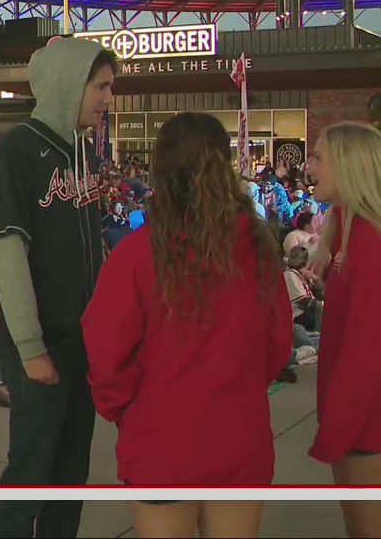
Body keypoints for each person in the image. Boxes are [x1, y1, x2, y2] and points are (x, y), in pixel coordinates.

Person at [82, 112, 291, 537]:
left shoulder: (135, 255)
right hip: (238, 435)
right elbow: (278, 342)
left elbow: (105, 351)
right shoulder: (258, 248)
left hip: (162, 439)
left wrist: (125, 410)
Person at [0, 38, 115, 538]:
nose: (107, 99)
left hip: (81, 345)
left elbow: (89, 249)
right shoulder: (18, 150)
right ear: (69, 83)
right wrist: (31, 346)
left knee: (69, 481)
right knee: (29, 480)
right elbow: (9, 253)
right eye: (100, 87)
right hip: (41, 346)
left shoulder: (81, 150)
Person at [305, 121, 381, 538]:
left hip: (366, 427)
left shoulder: (370, 242)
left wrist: (335, 430)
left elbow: (368, 351)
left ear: (349, 167)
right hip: (356, 425)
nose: (309, 166)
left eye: (318, 157)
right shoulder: (348, 234)